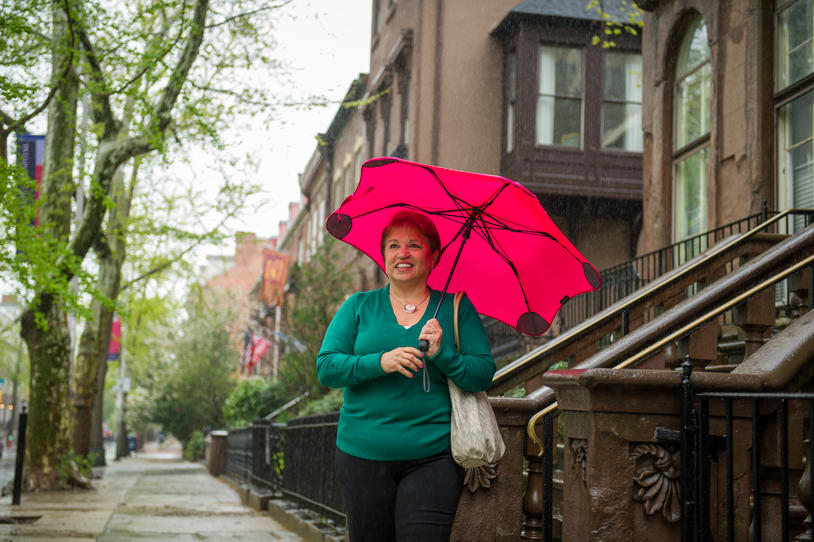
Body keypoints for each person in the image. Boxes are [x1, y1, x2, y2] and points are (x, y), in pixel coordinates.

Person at [317, 210, 495, 542]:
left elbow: (482, 375)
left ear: (434, 255)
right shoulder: (359, 306)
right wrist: (380, 362)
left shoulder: (455, 308)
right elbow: (327, 367)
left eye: (415, 245)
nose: (403, 253)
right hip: (361, 456)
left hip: (433, 459)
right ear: (383, 255)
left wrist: (443, 354)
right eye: (394, 245)